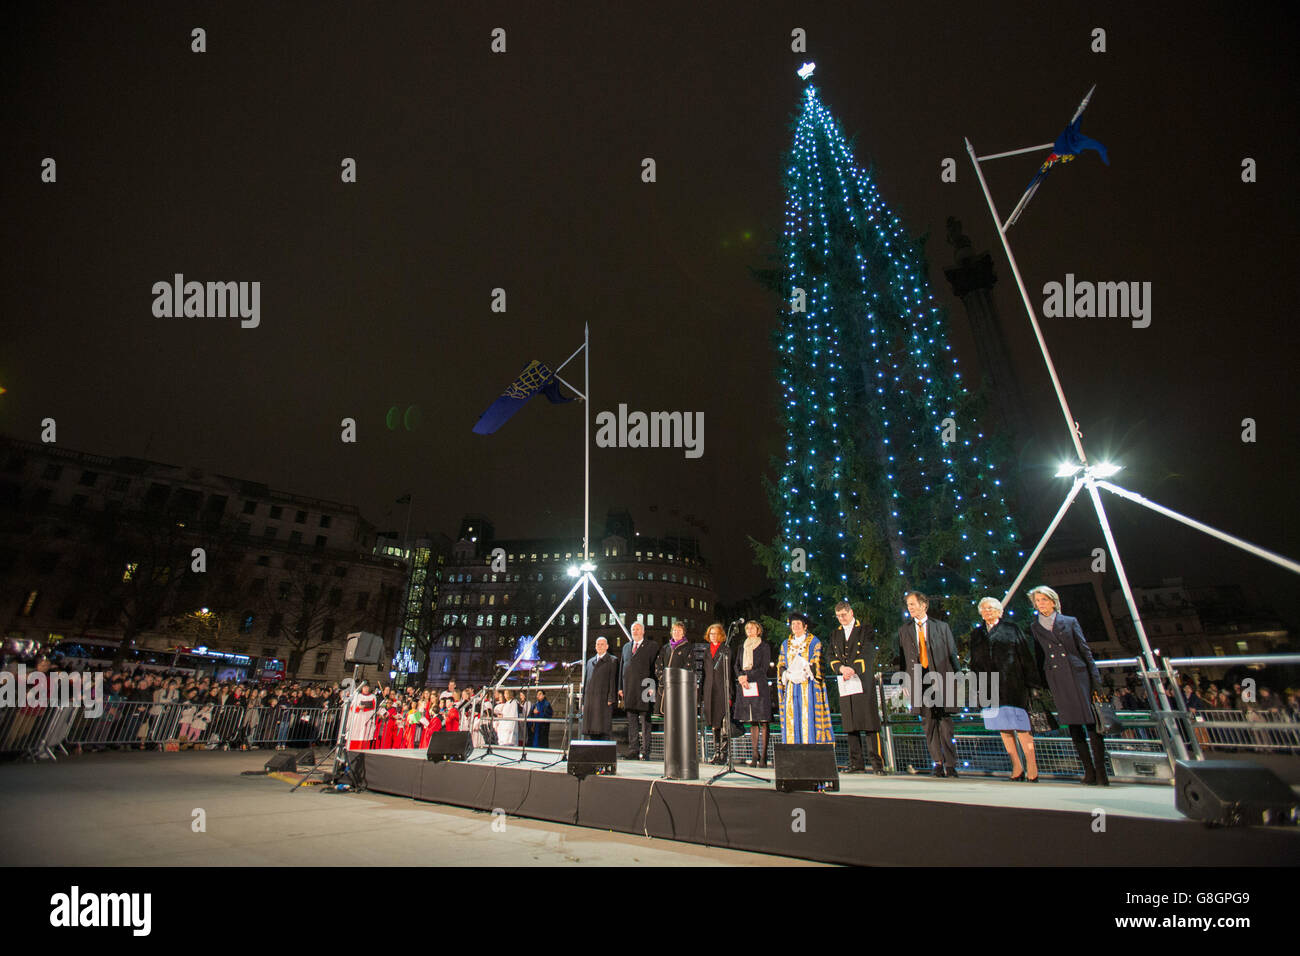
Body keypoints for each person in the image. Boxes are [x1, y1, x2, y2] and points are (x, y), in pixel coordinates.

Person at [1027, 585, 1109, 785]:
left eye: (1044, 600)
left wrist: (1096, 682)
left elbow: (1085, 651)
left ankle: (1101, 772)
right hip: (1056, 677)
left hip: (1078, 674)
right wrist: (1040, 682)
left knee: (1092, 724)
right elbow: (1040, 655)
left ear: (1053, 601)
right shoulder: (1035, 627)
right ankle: (1088, 771)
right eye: (1037, 601)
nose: (1040, 604)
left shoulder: (1069, 622)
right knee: (1073, 725)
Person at [969, 596, 1041, 782]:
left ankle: (1032, 765)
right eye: (984, 609)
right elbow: (974, 662)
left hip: (1013, 683)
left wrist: (1032, 683)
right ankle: (1017, 766)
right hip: (989, 685)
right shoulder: (977, 634)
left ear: (999, 611)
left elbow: (1025, 654)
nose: (987, 612)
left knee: (1022, 726)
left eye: (991, 608)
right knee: (1003, 727)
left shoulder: (1011, 629)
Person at [897, 591, 960, 777]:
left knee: (945, 723)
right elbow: (902, 659)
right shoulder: (904, 630)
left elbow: (952, 653)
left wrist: (957, 678)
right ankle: (937, 763)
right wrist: (904, 682)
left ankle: (951, 764)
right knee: (928, 723)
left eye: (913, 604)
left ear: (924, 605)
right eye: (908, 605)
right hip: (918, 680)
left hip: (941, 679)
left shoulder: (941, 627)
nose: (910, 608)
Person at [826, 601, 885, 774]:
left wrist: (853, 668)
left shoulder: (865, 629)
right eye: (838, 616)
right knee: (850, 723)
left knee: (869, 722)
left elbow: (867, 651)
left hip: (862, 679)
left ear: (851, 612)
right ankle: (856, 763)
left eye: (843, 615)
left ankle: (877, 764)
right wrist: (840, 668)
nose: (841, 619)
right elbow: (830, 654)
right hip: (845, 680)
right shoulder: (835, 633)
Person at [777, 613, 833, 744]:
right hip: (791, 686)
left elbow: (817, 661)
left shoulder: (814, 642)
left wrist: (807, 671)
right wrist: (786, 674)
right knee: (792, 717)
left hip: (808, 686)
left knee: (808, 716)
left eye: (798, 624)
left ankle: (811, 747)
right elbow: (781, 663)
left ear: (805, 626)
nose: (795, 626)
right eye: (793, 624)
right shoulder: (785, 644)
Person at [733, 620, 772, 767]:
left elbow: (764, 667)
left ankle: (764, 755)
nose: (749, 630)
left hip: (759, 684)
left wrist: (747, 676)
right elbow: (736, 665)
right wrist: (741, 677)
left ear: (758, 630)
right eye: (747, 628)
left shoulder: (764, 646)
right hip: (746, 684)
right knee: (752, 720)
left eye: (752, 628)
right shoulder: (742, 647)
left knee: (763, 720)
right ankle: (755, 754)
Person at [619, 621, 659, 760]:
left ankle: (645, 751)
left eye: (637, 629)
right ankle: (633, 750)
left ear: (643, 631)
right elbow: (622, 668)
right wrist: (620, 688)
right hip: (629, 688)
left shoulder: (652, 646)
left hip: (646, 688)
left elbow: (655, 667)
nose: (635, 631)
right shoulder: (626, 647)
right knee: (632, 721)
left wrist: (653, 686)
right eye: (633, 629)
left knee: (646, 722)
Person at [700, 623, 733, 764]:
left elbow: (730, 673)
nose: (713, 636)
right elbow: (704, 673)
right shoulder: (707, 651)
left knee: (722, 722)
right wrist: (701, 692)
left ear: (721, 635)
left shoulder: (726, 649)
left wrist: (730, 694)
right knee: (713, 722)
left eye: (715, 633)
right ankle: (716, 752)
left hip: (721, 689)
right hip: (709, 689)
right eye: (711, 633)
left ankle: (724, 755)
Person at [582, 636, 619, 740]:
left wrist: (611, 697)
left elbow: (613, 680)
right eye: (598, 644)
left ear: (607, 646)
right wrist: (584, 702)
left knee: (603, 728)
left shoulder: (612, 660)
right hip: (590, 700)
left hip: (603, 700)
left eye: (602, 644)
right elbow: (586, 682)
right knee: (591, 728)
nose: (600, 646)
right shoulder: (590, 662)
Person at [655, 621, 693, 721]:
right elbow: (658, 664)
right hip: (664, 686)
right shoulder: (665, 647)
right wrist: (662, 677)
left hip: (679, 687)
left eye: (679, 630)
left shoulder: (688, 648)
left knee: (677, 717)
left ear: (683, 633)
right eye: (674, 630)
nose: (676, 632)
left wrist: (677, 679)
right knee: (663, 717)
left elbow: (689, 667)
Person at [346, 681, 377, 750]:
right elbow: (352, 707)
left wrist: (365, 708)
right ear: (362, 688)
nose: (366, 689)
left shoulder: (373, 697)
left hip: (367, 719)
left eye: (367, 687)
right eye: (364, 687)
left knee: (365, 736)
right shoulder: (358, 696)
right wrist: (358, 708)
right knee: (356, 735)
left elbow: (373, 707)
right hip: (358, 719)